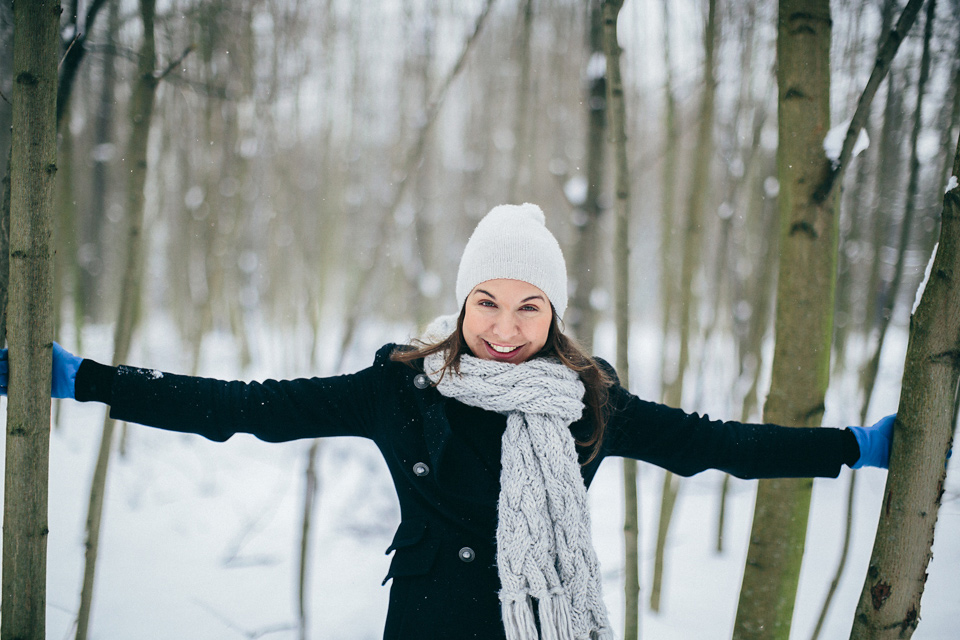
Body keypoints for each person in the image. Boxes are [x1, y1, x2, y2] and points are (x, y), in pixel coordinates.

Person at [0, 203, 894, 640]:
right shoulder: (401, 387)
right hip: (428, 625)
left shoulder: (589, 402)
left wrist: (853, 447)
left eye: (529, 306)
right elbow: (246, 408)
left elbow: (715, 445)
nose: (505, 327)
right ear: (463, 302)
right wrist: (88, 381)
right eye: (487, 302)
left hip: (541, 623)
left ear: (555, 313)